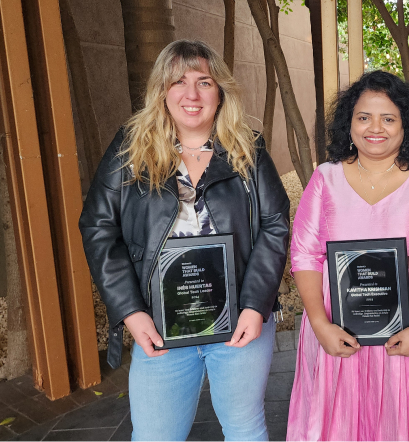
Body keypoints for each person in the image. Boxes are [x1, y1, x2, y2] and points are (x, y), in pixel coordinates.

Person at [79, 40, 290, 441]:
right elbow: (98, 227)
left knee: (245, 429)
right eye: (179, 81)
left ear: (220, 91)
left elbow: (275, 224)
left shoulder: (249, 147)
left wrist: (255, 305)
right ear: (161, 90)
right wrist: (130, 311)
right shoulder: (131, 148)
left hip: (239, 323)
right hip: (160, 325)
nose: (191, 95)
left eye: (204, 82)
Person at [287, 70, 409, 440]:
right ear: (348, 124)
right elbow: (304, 255)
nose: (376, 128)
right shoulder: (325, 179)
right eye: (363, 117)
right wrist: (320, 325)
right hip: (339, 323)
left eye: (389, 118)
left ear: (407, 126)